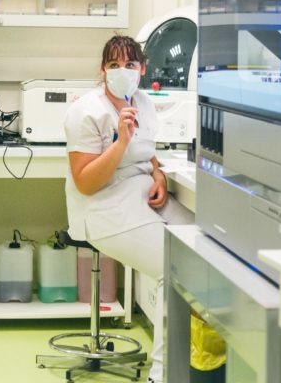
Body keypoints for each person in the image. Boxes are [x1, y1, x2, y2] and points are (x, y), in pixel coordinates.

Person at [64, 35, 193, 383]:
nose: (122, 71)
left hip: (138, 195)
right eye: (114, 65)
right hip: (102, 208)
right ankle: (163, 375)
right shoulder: (85, 112)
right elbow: (86, 182)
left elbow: (147, 148)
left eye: (130, 65)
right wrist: (120, 141)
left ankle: (201, 364)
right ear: (103, 69)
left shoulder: (144, 102)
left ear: (143, 69)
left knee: (203, 244)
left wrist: (159, 173)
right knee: (176, 267)